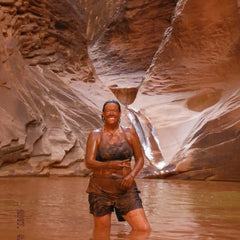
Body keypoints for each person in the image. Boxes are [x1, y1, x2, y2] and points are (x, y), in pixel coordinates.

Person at [85, 100, 151, 239]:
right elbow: (89, 162)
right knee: (101, 234)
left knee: (143, 230)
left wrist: (131, 176)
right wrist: (109, 165)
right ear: (103, 114)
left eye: (114, 110)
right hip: (100, 190)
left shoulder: (130, 133)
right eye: (108, 110)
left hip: (125, 189)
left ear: (120, 113)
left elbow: (140, 159)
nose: (111, 113)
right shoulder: (95, 135)